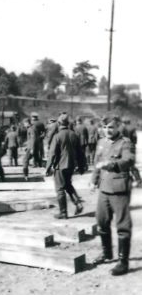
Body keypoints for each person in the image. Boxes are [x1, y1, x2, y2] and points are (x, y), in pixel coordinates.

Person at [91, 115, 135, 276]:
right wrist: (93, 180)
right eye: (105, 127)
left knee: (122, 226)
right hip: (104, 188)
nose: (107, 130)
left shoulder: (125, 142)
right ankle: (107, 253)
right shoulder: (101, 142)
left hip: (119, 188)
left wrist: (112, 164)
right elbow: (97, 163)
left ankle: (123, 262)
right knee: (101, 222)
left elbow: (129, 160)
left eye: (111, 127)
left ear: (117, 128)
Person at [45, 113, 85, 219]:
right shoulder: (74, 135)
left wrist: (48, 168)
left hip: (60, 166)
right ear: (68, 123)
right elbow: (80, 153)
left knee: (60, 189)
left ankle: (63, 212)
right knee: (68, 185)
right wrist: (81, 167)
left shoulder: (57, 136)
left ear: (59, 123)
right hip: (71, 165)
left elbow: (52, 153)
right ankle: (78, 203)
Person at [119, 117, 142, 187]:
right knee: (131, 164)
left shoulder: (120, 128)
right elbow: (135, 138)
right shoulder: (132, 128)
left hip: (122, 147)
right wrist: (133, 144)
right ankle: (138, 179)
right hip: (131, 147)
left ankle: (133, 180)